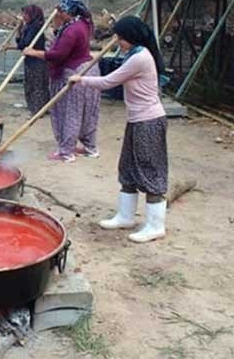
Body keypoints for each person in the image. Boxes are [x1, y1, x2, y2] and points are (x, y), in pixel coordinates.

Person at [69, 16, 168, 243]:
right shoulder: (132, 54)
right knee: (128, 167)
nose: (118, 42)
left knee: (149, 170)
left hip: (149, 121)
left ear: (131, 37)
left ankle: (155, 225)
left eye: (121, 38)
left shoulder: (140, 58)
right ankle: (125, 216)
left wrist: (80, 79)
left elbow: (108, 82)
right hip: (136, 120)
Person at [25, 0, 101, 163]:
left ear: (68, 12)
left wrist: (34, 53)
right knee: (87, 113)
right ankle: (90, 148)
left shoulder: (72, 30)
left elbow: (57, 55)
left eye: (60, 11)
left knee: (69, 113)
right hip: (88, 70)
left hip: (74, 73)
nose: (56, 13)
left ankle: (66, 152)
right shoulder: (82, 23)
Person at [7, 4, 49, 115]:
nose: (23, 16)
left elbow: (24, 44)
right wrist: (19, 30)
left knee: (36, 86)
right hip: (30, 60)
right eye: (23, 13)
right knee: (33, 85)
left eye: (26, 14)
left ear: (33, 15)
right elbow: (21, 43)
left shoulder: (35, 27)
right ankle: (39, 108)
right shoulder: (29, 26)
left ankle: (37, 110)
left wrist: (20, 34)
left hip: (37, 61)